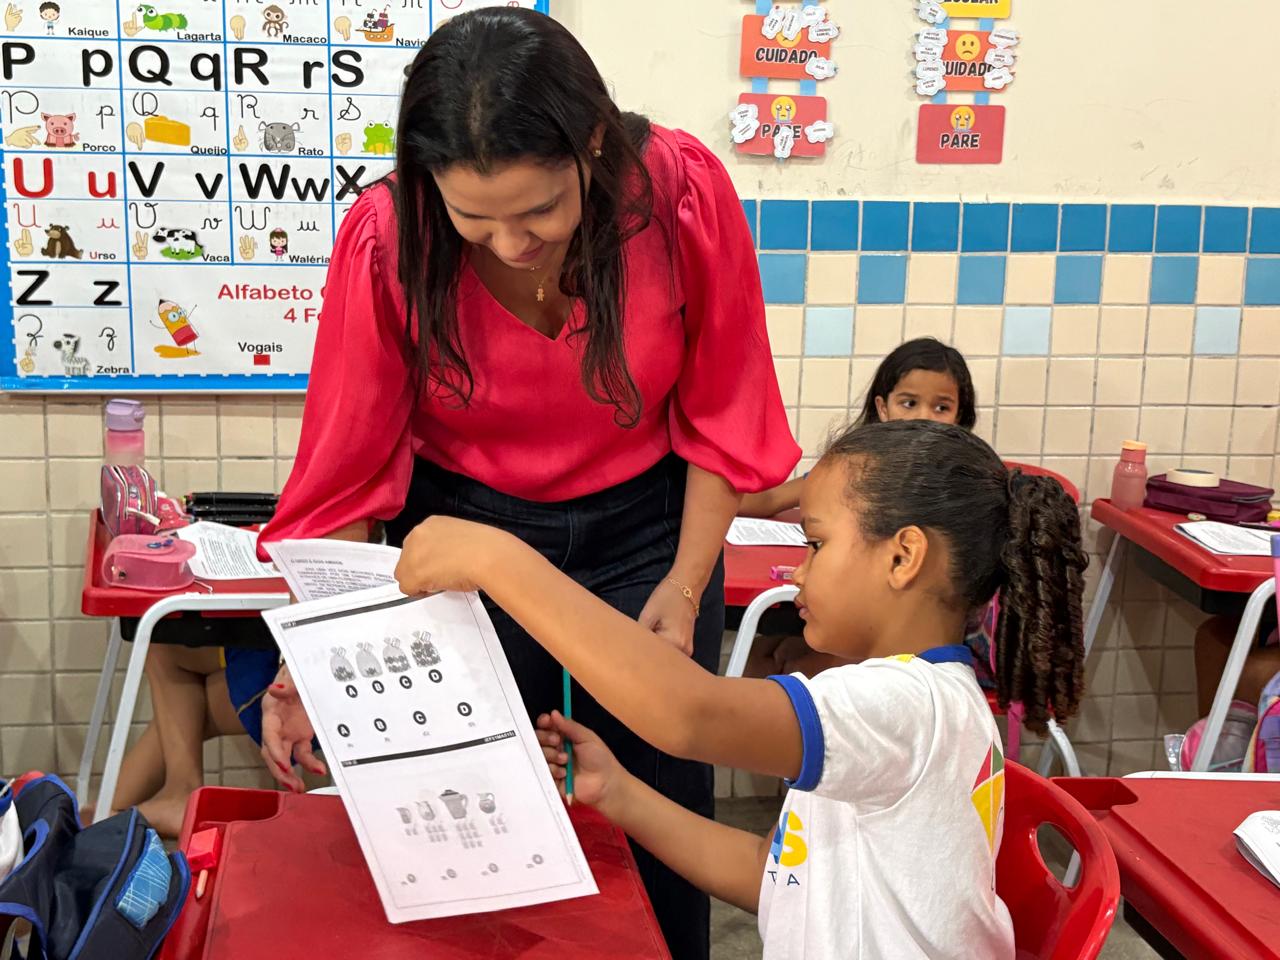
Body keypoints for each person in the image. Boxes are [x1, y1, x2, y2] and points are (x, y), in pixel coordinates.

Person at [252, 9, 798, 957]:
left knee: (657, 798)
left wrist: (682, 586)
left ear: (592, 143)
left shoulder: (677, 192)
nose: (510, 244)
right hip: (463, 535)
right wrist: (317, 657)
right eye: (475, 218)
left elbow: (722, 409)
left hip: (652, 534)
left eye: (540, 210)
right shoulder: (389, 239)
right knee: (473, 807)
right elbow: (345, 480)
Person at [392, 420, 1088, 959]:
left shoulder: (908, 707)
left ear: (902, 556)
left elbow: (688, 714)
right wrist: (621, 795)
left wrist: (498, 558)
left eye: (816, 544)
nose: (796, 571)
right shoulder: (920, 701)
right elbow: (778, 876)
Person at [741, 336, 980, 679]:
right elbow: (769, 500)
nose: (923, 417)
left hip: (908, 647)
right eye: (909, 403)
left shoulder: (955, 492)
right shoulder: (853, 473)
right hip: (853, 623)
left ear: (959, 416)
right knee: (762, 652)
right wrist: (702, 497)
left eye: (941, 407)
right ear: (883, 408)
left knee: (794, 665)